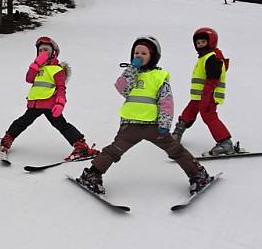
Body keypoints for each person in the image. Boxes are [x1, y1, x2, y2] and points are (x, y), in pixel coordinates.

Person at [76, 37, 210, 195]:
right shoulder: (131, 74)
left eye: (143, 53)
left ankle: (198, 174)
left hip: (154, 126)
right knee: (114, 151)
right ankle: (92, 174)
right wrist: (132, 69)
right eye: (136, 52)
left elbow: (166, 102)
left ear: (153, 56)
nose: (139, 55)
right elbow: (121, 88)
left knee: (176, 150)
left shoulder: (159, 77)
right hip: (130, 125)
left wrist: (165, 123)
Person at [0, 36, 99, 160]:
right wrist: (36, 64)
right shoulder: (37, 68)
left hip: (50, 104)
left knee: (62, 125)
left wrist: (60, 103)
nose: (43, 53)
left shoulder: (57, 70)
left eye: (46, 50)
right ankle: (7, 139)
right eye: (40, 50)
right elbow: (29, 79)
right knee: (22, 122)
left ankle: (81, 146)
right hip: (35, 104)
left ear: (54, 53)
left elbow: (61, 88)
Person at [172, 27, 235, 156]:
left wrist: (207, 96)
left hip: (209, 96)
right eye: (198, 43)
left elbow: (213, 79)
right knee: (188, 112)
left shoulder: (212, 58)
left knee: (209, 117)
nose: (200, 45)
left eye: (203, 42)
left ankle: (225, 143)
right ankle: (177, 133)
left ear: (211, 42)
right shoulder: (204, 57)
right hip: (199, 96)